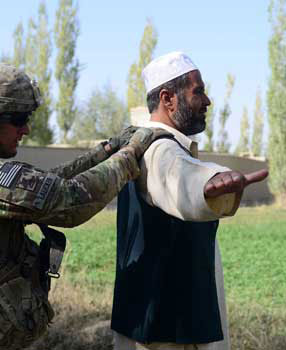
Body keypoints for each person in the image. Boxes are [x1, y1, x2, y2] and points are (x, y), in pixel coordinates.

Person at [0, 60, 168, 350]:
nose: (25, 129)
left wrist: (108, 149)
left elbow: (48, 183)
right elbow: (71, 200)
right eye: (19, 118)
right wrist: (131, 153)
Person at [111, 51, 269, 350]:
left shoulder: (150, 146)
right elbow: (178, 179)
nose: (207, 101)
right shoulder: (158, 150)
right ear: (168, 98)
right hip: (166, 337)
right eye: (199, 91)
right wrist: (209, 184)